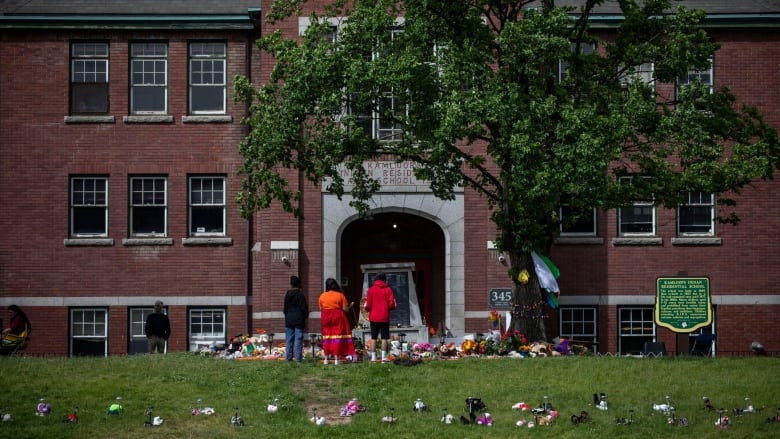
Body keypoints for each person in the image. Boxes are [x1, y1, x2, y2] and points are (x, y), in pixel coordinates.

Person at [318, 278, 356, 365]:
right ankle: (336, 359)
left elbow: (321, 308)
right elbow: (345, 309)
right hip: (338, 317)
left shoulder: (322, 296)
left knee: (327, 337)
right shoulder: (340, 295)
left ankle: (326, 359)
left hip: (326, 317)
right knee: (337, 337)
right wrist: (350, 307)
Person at [364, 273, 396, 363]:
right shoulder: (388, 289)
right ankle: (383, 358)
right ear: (384, 280)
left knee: (373, 338)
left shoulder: (370, 290)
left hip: (373, 317)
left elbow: (368, 305)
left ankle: (373, 358)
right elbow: (392, 304)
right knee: (384, 338)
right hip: (384, 317)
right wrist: (389, 307)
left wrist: (367, 308)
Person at [283, 275, 309, 362]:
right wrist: (305, 316)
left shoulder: (287, 294)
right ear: (298, 285)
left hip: (289, 319)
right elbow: (304, 308)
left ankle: (288, 358)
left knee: (289, 339)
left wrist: (287, 315)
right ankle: (298, 358)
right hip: (298, 320)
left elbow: (285, 308)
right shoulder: (300, 294)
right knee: (298, 339)